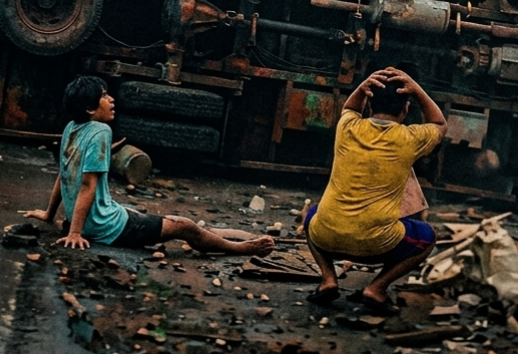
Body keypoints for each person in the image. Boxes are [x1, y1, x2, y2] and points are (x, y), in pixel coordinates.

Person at [26, 76, 275, 256]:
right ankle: (240, 248)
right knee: (183, 225)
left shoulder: (71, 128)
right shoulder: (101, 130)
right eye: (104, 95)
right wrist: (75, 234)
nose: (111, 99)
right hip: (107, 228)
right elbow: (88, 184)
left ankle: (221, 236)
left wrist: (50, 214)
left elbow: (64, 174)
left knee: (144, 216)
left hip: (95, 221)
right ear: (91, 108)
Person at [304, 66, 447, 315]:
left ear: (369, 106)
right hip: (377, 248)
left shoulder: (347, 127)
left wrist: (363, 86)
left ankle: (328, 279)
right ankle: (377, 289)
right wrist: (417, 89)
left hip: (326, 239)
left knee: (312, 215)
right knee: (428, 237)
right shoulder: (411, 138)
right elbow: (439, 123)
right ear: (406, 109)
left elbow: (350, 108)